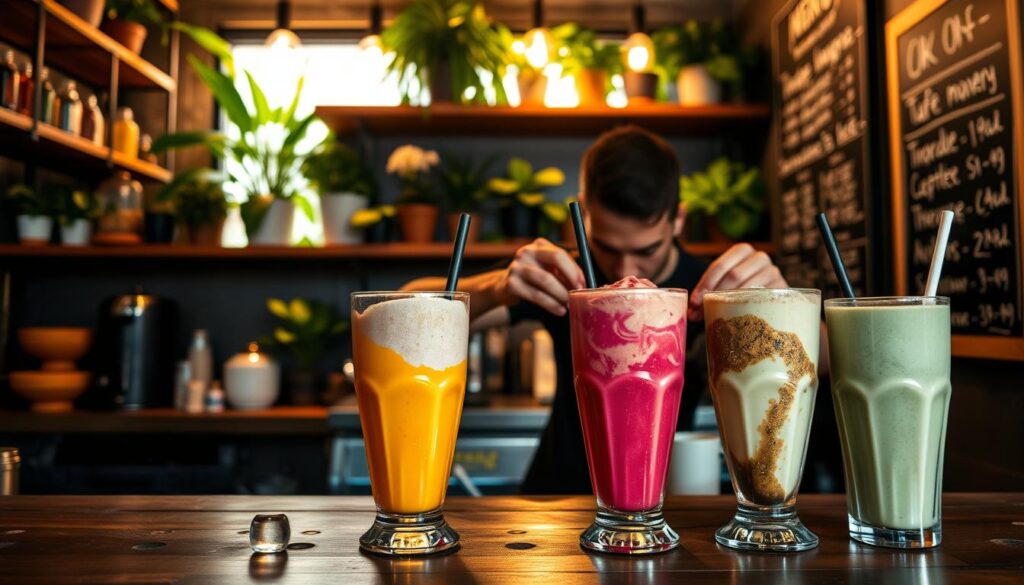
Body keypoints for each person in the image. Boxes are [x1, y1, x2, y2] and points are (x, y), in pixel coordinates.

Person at [402, 126, 792, 495]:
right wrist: (498, 286)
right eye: (606, 246)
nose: (626, 271)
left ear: (679, 220)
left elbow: (827, 359)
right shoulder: (562, 280)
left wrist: (783, 303)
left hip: (663, 501)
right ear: (584, 216)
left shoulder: (711, 287)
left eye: (645, 251)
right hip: (558, 501)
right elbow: (402, 315)